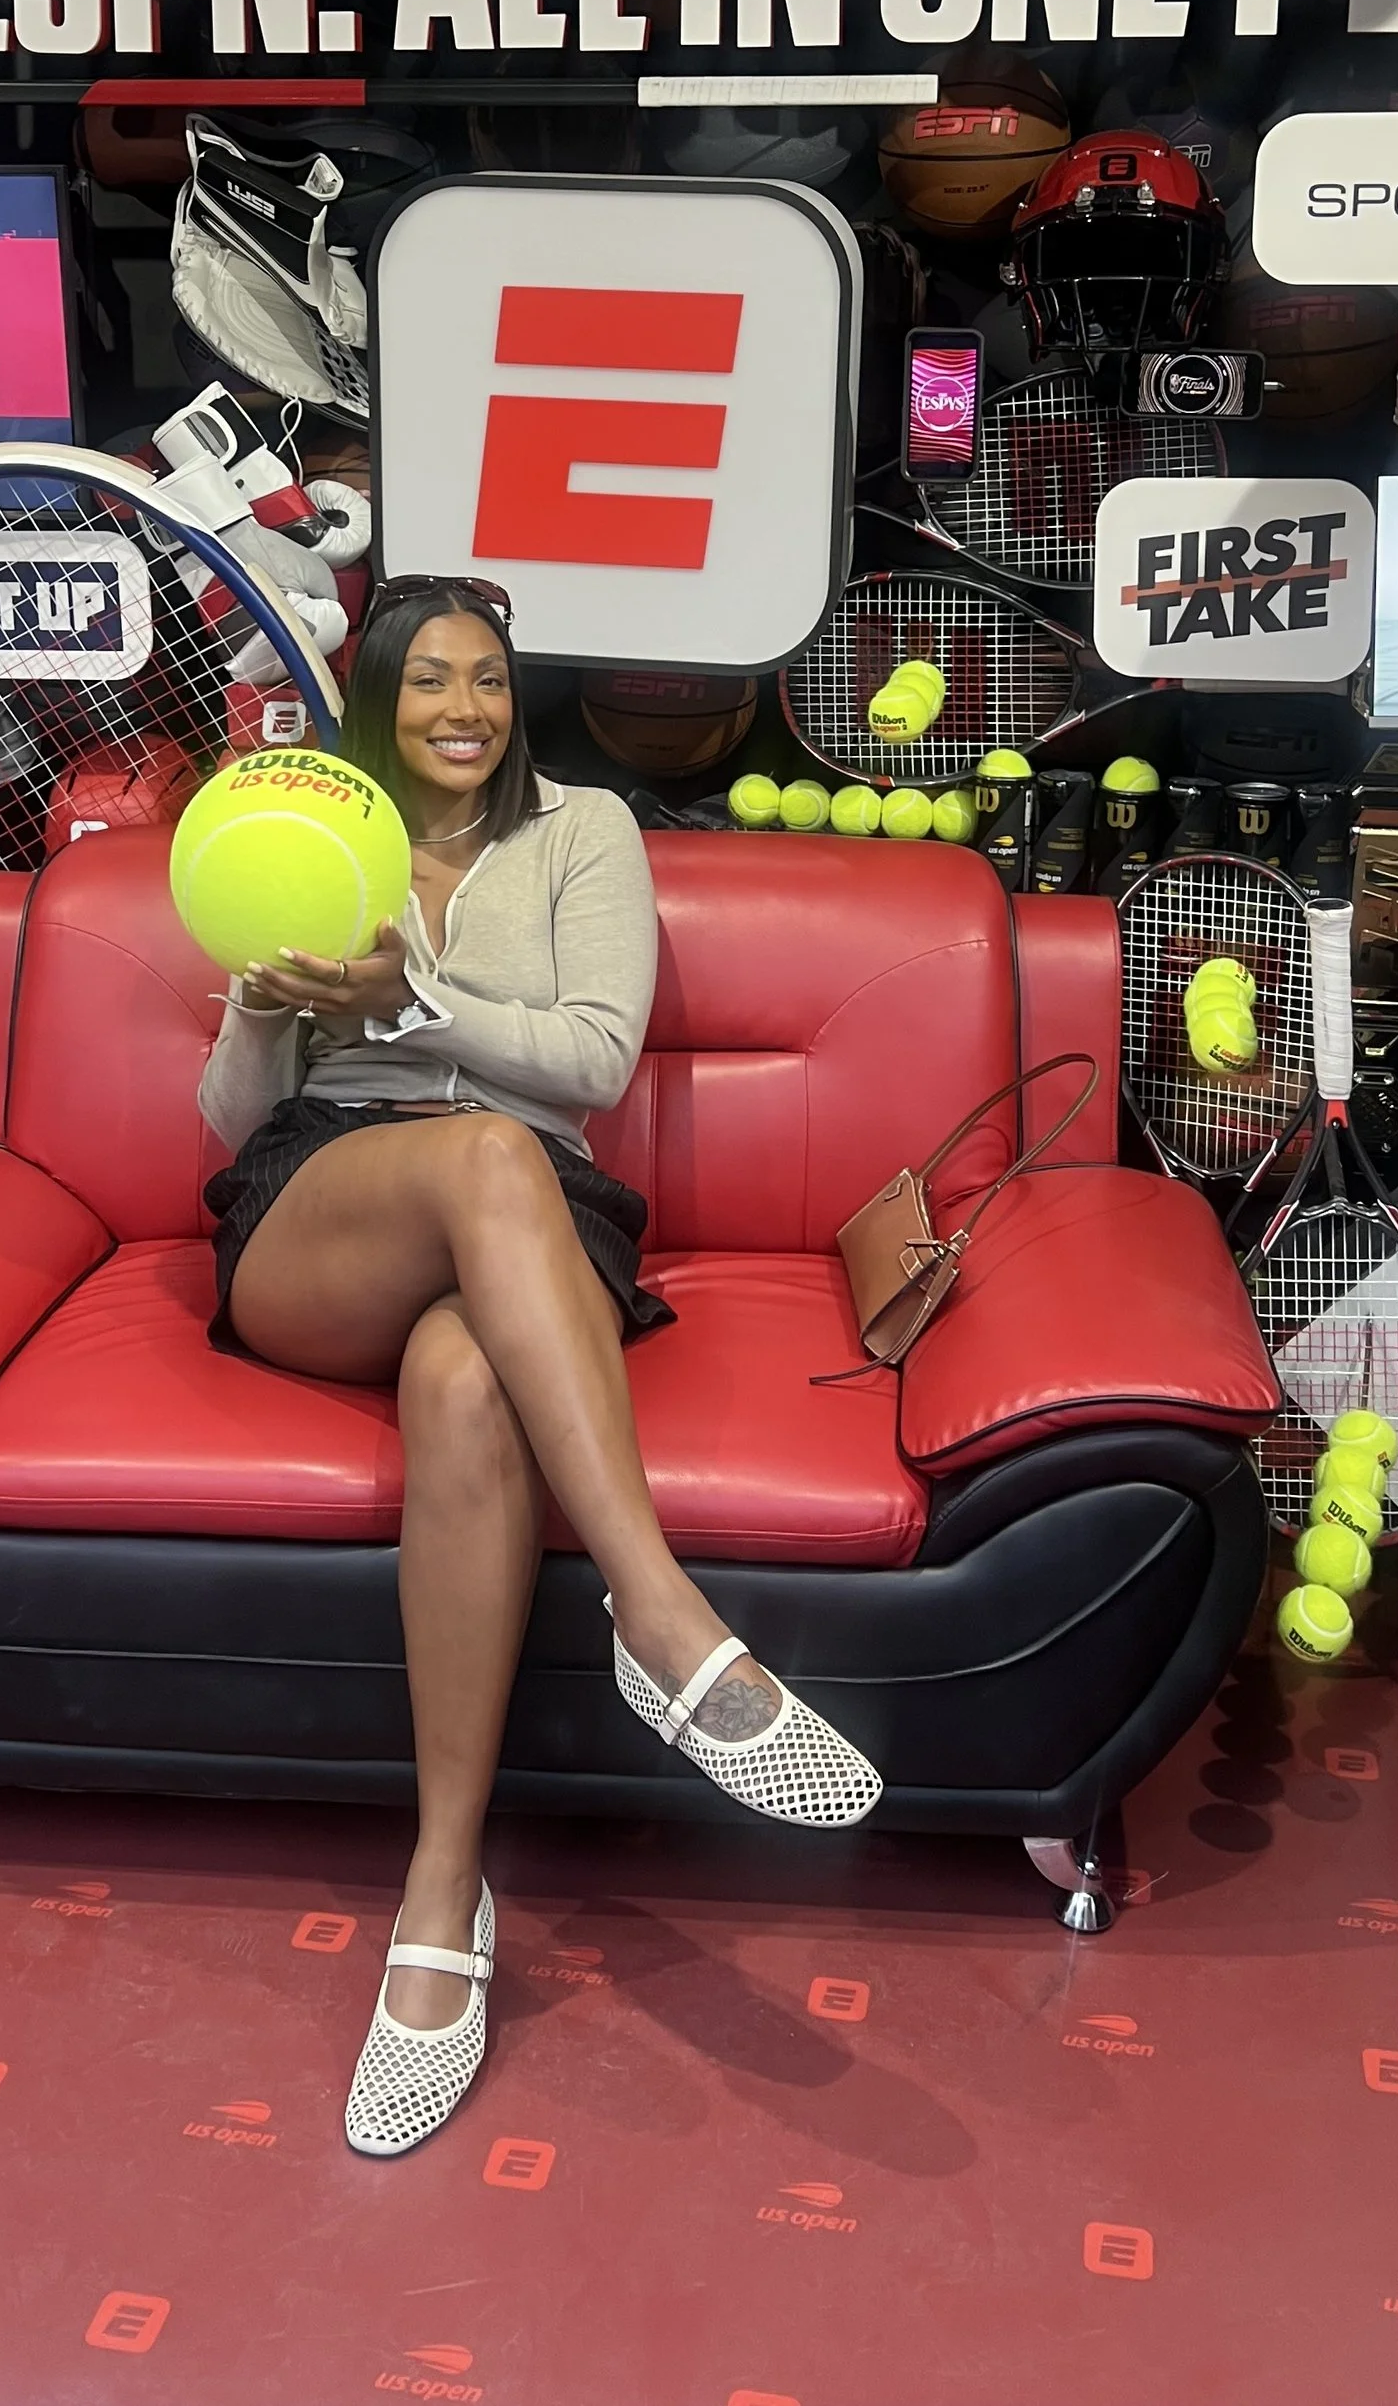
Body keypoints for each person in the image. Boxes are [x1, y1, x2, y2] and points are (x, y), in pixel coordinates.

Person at [201, 576, 879, 2157]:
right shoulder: (315, 834)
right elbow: (233, 1125)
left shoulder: (583, 834)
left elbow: (596, 1057)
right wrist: (252, 1001)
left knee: (465, 1372)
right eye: (429, 678)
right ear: (380, 697)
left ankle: (443, 1891)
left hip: (534, 1208)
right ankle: (662, 1617)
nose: (462, 707)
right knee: (484, 1158)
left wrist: (418, 995)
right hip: (324, 1204)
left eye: (489, 681)